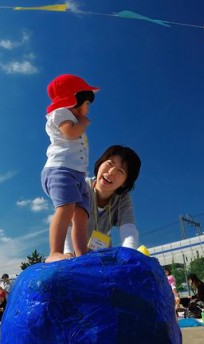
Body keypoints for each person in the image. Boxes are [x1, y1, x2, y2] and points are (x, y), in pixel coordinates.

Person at [41, 74, 99, 263]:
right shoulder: (61, 112)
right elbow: (70, 133)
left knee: (81, 215)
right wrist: (82, 122)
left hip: (78, 176)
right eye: (87, 103)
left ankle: (81, 252)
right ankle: (54, 252)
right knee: (65, 208)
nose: (88, 108)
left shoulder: (72, 118)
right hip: (60, 171)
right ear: (74, 98)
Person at [63, 145, 141, 256]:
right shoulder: (81, 187)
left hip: (102, 257)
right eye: (110, 163)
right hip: (75, 255)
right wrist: (68, 252)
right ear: (100, 164)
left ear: (125, 182)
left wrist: (129, 255)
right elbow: (67, 224)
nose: (111, 172)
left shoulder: (123, 199)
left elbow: (128, 229)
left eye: (120, 171)